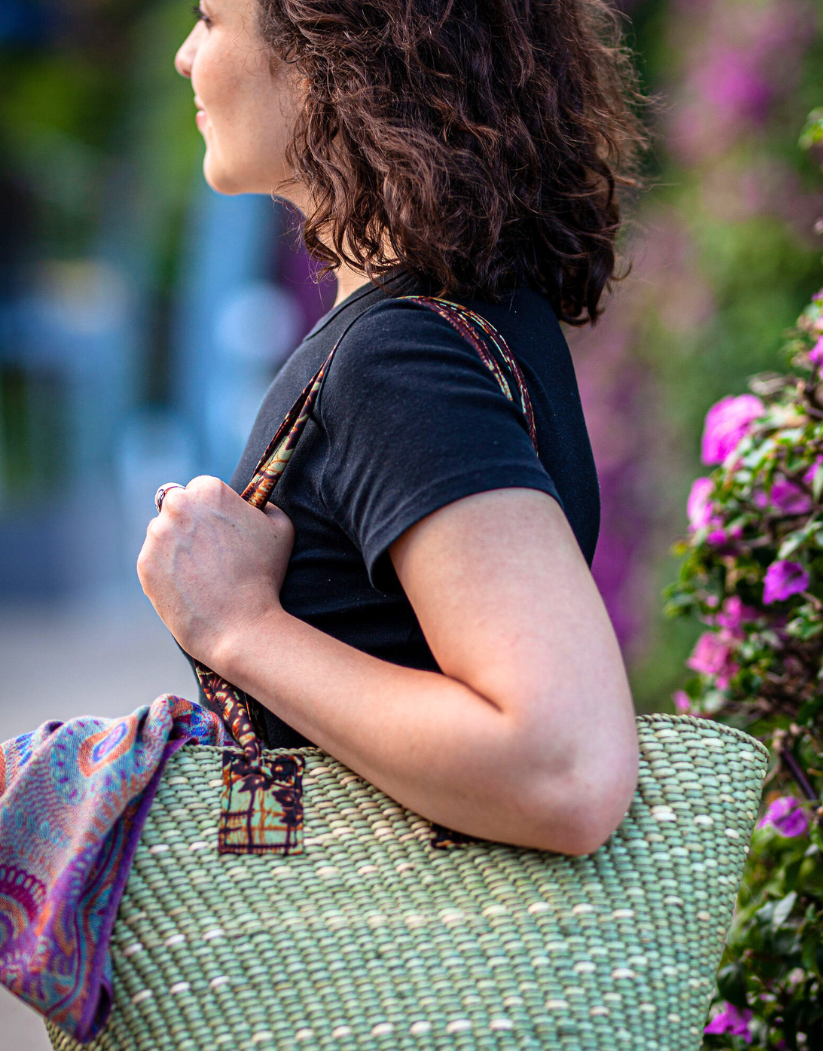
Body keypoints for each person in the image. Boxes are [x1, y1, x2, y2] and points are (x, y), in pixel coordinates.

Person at [138, 0, 643, 857]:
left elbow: (565, 770)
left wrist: (238, 626)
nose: (186, 59)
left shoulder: (398, 360)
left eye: (210, 19)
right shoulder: (476, 316)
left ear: (327, 54)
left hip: (427, 982)